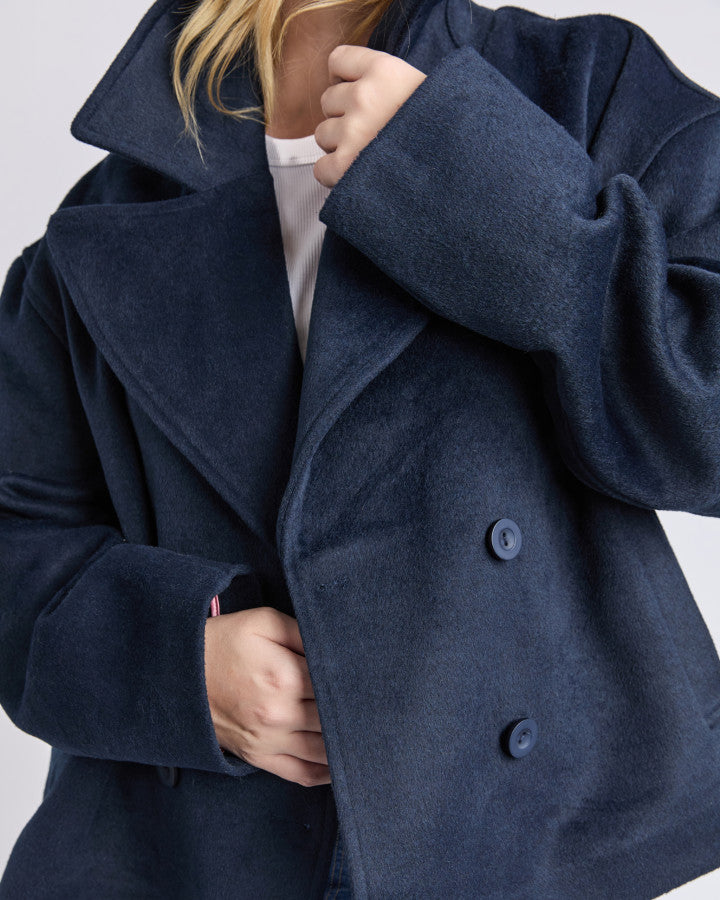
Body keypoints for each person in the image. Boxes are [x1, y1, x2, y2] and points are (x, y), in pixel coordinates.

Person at [2, 0, 720, 897]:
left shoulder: (585, 89)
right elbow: (17, 538)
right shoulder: (106, 214)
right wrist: (173, 664)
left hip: (522, 846)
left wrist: (485, 183)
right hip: (189, 858)